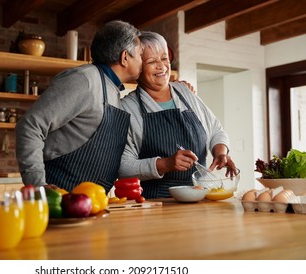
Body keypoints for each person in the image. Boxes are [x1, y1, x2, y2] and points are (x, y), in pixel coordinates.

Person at [15, 20, 143, 191]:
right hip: (58, 200)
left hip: (90, 202)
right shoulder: (84, 80)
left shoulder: (113, 90)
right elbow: (30, 126)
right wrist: (38, 186)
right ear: (125, 57)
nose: (143, 61)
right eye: (140, 55)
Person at [118, 31, 237, 198]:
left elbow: (216, 130)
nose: (162, 66)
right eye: (152, 61)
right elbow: (122, 168)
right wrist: (165, 164)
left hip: (199, 197)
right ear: (138, 68)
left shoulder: (185, 93)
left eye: (165, 58)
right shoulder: (127, 108)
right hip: (155, 204)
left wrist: (221, 152)